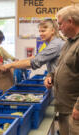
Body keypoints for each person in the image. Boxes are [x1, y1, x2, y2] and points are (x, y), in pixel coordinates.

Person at [44, 5, 79, 135]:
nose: (59, 28)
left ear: (70, 21)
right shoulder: (68, 43)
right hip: (65, 108)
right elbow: (60, 67)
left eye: (60, 24)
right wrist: (50, 76)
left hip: (74, 111)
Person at [0, 19, 65, 73]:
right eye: (39, 31)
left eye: (43, 31)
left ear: (52, 31)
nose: (40, 34)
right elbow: (36, 57)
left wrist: (10, 65)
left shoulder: (55, 45)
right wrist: (16, 63)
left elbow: (33, 63)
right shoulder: (53, 43)